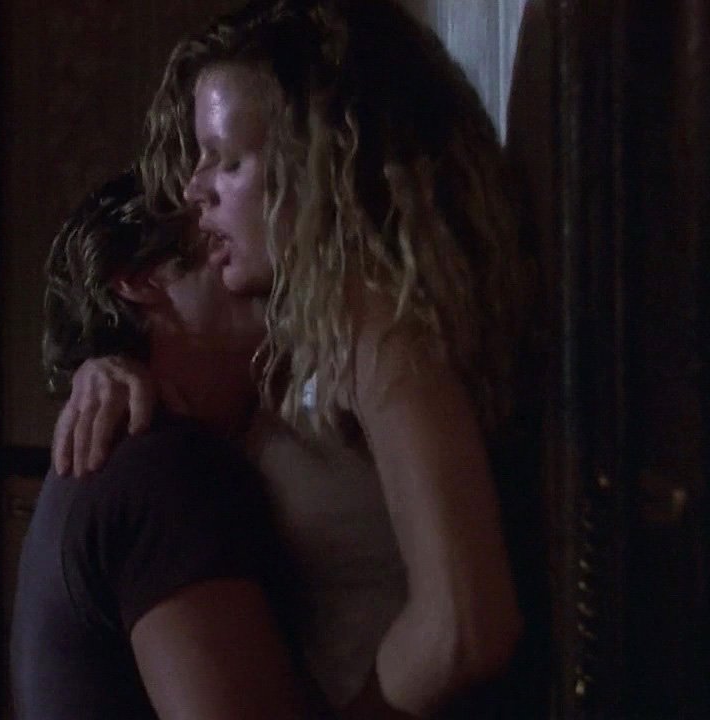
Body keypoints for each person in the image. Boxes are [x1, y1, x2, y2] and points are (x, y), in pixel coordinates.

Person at [53, 1, 533, 716]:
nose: (195, 189)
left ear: (318, 164)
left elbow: (466, 626)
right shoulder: (313, 337)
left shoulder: (377, 325)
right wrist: (108, 361)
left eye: (227, 160)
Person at [10, 170, 312, 719]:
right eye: (220, 242)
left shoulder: (141, 456)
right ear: (141, 279)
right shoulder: (164, 470)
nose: (263, 266)